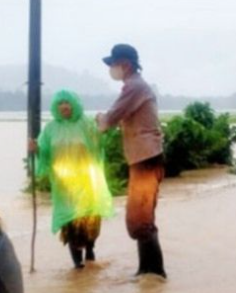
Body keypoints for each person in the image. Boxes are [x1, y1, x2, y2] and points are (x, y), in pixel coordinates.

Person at [96, 44, 167, 278]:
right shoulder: (135, 86)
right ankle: (147, 272)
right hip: (143, 158)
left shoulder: (134, 87)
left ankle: (154, 274)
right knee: (141, 219)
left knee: (139, 221)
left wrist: (99, 120)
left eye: (114, 64)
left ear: (125, 64)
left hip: (146, 158)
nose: (112, 69)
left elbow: (110, 119)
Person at [30, 90, 115, 269]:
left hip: (87, 182)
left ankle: (90, 251)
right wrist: (35, 149)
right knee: (70, 224)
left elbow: (100, 143)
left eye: (67, 102)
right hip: (64, 186)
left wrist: (104, 128)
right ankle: (78, 266)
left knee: (88, 219)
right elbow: (44, 152)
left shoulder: (85, 124)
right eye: (60, 103)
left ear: (74, 104)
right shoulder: (51, 129)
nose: (64, 107)